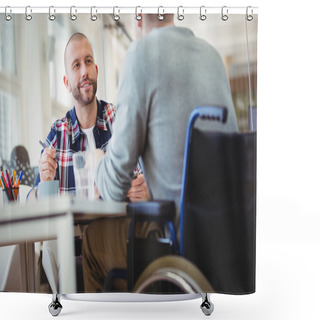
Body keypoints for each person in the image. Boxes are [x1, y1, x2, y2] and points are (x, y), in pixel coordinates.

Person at [82, 14, 239, 292]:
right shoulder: (213, 57)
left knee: (92, 241)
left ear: (138, 16)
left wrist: (98, 163)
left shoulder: (141, 54)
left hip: (174, 242)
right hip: (225, 241)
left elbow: (113, 188)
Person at [28, 33, 151, 293]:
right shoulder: (58, 133)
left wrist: (144, 190)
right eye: (76, 65)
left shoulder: (119, 121)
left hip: (119, 241)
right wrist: (45, 181)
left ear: (96, 69)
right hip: (71, 249)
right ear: (66, 81)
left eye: (88, 62)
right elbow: (32, 207)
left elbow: (146, 179)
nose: (84, 71)